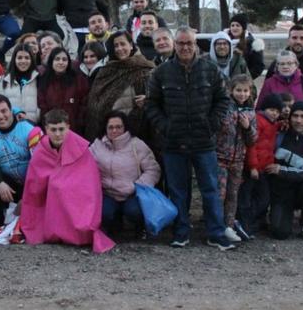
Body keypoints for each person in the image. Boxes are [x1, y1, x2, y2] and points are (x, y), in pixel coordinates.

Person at [144, 27, 234, 250]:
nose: (185, 47)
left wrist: (211, 124)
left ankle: (216, 232)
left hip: (203, 142)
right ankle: (181, 231)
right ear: (175, 45)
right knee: (178, 190)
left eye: (189, 43)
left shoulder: (210, 70)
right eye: (181, 43)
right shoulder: (161, 72)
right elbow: (151, 103)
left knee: (210, 189)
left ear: (195, 45)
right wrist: (165, 126)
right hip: (174, 142)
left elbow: (223, 99)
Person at [19, 109, 115, 253]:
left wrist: (60, 184)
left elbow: (90, 183)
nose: (57, 134)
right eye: (53, 130)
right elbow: (34, 186)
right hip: (49, 201)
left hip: (77, 200)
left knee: (61, 191)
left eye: (61, 129)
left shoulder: (81, 149)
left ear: (68, 127)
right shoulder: (41, 150)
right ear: (46, 129)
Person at [89, 111, 160, 236]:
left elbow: (153, 170)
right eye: (110, 127)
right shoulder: (97, 145)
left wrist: (137, 186)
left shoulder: (137, 145)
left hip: (133, 193)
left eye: (118, 127)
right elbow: (85, 167)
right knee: (104, 213)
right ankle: (113, 224)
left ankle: (140, 226)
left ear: (125, 127)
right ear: (105, 128)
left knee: (134, 211)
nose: (114, 130)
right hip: (107, 193)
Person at [265, 100, 303, 241]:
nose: (299, 120)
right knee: (279, 233)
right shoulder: (280, 136)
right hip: (281, 192)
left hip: (302, 191)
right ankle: (274, 215)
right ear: (290, 117)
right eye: (295, 116)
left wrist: (283, 171)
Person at [0, 95, 41, 227]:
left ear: (11, 110)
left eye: (4, 111)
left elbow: (39, 165)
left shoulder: (30, 129)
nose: (1, 116)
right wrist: (0, 183)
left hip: (32, 182)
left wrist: (28, 193)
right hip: (9, 183)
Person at [84, 31, 154, 141]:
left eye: (123, 44)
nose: (119, 48)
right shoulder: (106, 71)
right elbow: (94, 103)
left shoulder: (144, 71)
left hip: (133, 135)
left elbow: (150, 103)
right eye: (116, 45)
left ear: (131, 45)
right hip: (106, 135)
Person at [214, 74, 257, 242]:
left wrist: (247, 128)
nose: (242, 94)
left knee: (233, 194)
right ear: (231, 91)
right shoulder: (224, 109)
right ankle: (216, 225)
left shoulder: (251, 113)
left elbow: (253, 139)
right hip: (220, 157)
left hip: (238, 160)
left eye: (245, 91)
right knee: (220, 193)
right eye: (239, 90)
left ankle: (229, 226)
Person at [236, 93, 283, 237]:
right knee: (247, 197)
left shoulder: (273, 124)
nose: (274, 113)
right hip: (254, 168)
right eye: (271, 110)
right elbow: (253, 146)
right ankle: (243, 223)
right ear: (264, 109)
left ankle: (247, 222)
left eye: (276, 111)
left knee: (262, 198)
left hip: (264, 168)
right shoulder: (259, 122)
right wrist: (253, 166)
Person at [256, 50, 303, 134]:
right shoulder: (269, 83)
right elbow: (260, 109)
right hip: (277, 132)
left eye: (289, 63)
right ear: (277, 66)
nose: (285, 66)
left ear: (296, 65)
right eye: (282, 64)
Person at [37, 47, 90, 134]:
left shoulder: (78, 79)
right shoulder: (44, 80)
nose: (61, 62)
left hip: (74, 129)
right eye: (57, 59)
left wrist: (80, 123)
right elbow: (42, 105)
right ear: (51, 61)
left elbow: (84, 103)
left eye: (64, 59)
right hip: (52, 129)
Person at [0, 44, 40, 123]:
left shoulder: (39, 79)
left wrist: (29, 118)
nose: (23, 61)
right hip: (8, 128)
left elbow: (44, 106)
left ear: (32, 60)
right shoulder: (2, 81)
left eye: (27, 58)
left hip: (32, 128)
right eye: (19, 58)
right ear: (14, 59)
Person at [227, 13, 265, 80]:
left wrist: (245, 79)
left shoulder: (254, 45)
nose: (234, 28)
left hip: (242, 85)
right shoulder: (223, 42)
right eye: (232, 25)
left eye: (237, 25)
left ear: (243, 28)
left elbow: (258, 67)